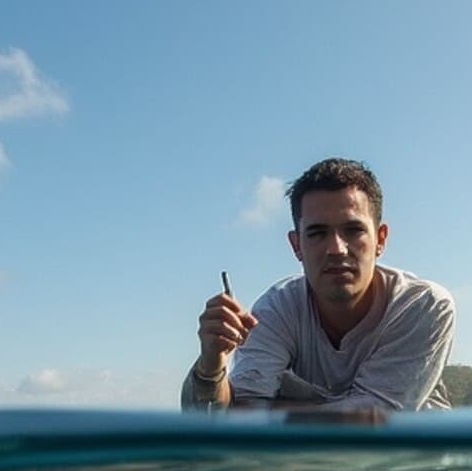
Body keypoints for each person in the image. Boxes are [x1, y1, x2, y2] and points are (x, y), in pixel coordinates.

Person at [183, 159, 455, 411]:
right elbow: (243, 411)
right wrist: (210, 368)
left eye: (353, 230)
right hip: (301, 449)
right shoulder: (276, 310)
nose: (336, 249)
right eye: (317, 233)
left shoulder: (423, 305)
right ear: (296, 245)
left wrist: (277, 408)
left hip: (419, 449)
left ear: (380, 239)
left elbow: (374, 420)